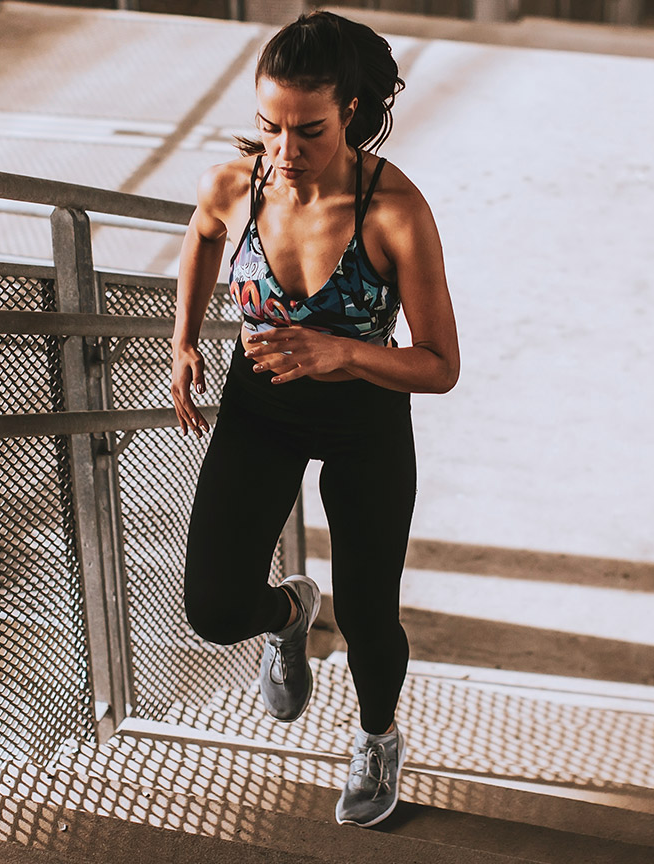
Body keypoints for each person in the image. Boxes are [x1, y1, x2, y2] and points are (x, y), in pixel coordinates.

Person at [169, 11, 459, 829]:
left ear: (355, 110)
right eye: (270, 127)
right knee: (214, 608)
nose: (285, 152)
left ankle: (376, 737)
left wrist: (346, 355)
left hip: (365, 417)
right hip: (262, 404)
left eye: (310, 131)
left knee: (369, 617)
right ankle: (289, 614)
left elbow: (440, 365)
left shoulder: (394, 210)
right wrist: (185, 340)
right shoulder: (237, 182)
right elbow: (200, 237)